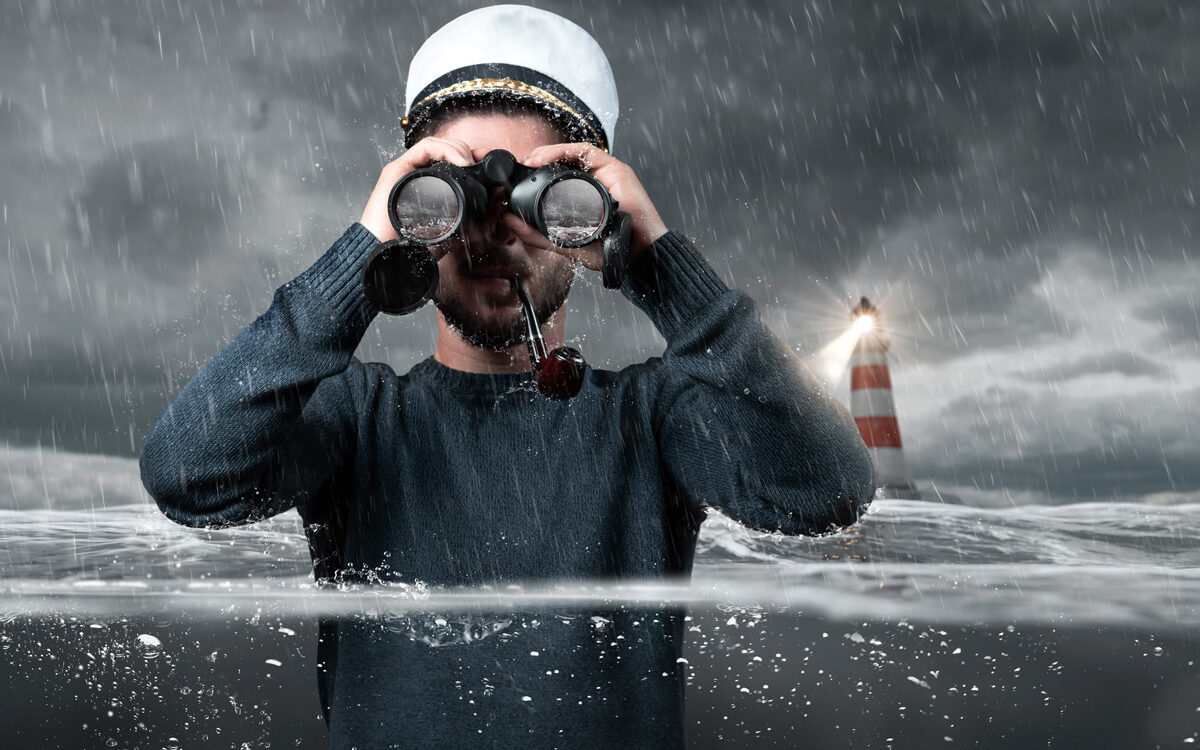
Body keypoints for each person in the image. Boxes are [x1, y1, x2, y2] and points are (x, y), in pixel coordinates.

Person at [139, 5, 875, 748]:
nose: (496, 232)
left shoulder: (653, 417)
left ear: (592, 208)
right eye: (452, 195)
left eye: (540, 195)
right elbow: (186, 474)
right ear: (412, 207)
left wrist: (657, 263)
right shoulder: (354, 419)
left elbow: (827, 489)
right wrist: (361, 257)